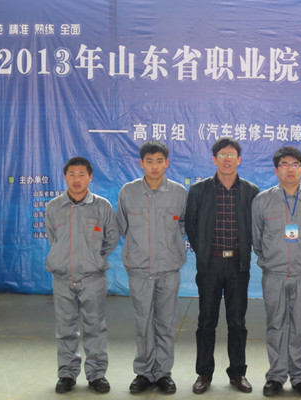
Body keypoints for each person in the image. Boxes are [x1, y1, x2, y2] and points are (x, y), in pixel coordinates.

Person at [185, 137, 259, 394]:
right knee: (206, 320)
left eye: (232, 155)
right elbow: (191, 225)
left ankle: (238, 373)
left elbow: (255, 227)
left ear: (239, 159)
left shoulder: (251, 191)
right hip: (210, 265)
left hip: (238, 265)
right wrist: (204, 253)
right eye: (222, 155)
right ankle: (204, 373)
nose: (227, 159)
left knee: (237, 322)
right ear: (214, 159)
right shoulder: (199, 190)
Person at [251, 146, 301, 397]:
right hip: (274, 274)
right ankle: (276, 376)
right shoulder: (262, 201)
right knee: (275, 325)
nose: (290, 169)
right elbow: (257, 238)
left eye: (295, 165)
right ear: (276, 170)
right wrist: (272, 259)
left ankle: (300, 377)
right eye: (284, 164)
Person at [116, 141, 188, 394]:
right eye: (149, 161)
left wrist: (170, 248)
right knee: (143, 322)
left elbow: (183, 225)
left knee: (166, 323)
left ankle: (163, 373)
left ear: (167, 163)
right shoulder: (128, 192)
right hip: (139, 269)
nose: (154, 166)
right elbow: (122, 227)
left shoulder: (179, 193)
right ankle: (144, 373)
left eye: (159, 161)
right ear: (141, 163)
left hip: (168, 269)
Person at [45, 157, 119, 394]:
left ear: (90, 177)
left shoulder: (102, 207)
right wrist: (65, 259)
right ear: (65, 177)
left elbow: (111, 238)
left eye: (81, 174)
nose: (76, 180)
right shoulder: (54, 207)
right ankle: (67, 374)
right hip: (63, 278)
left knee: (95, 327)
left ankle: (96, 375)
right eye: (72, 174)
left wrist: (94, 258)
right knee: (65, 328)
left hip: (92, 278)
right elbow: (53, 239)